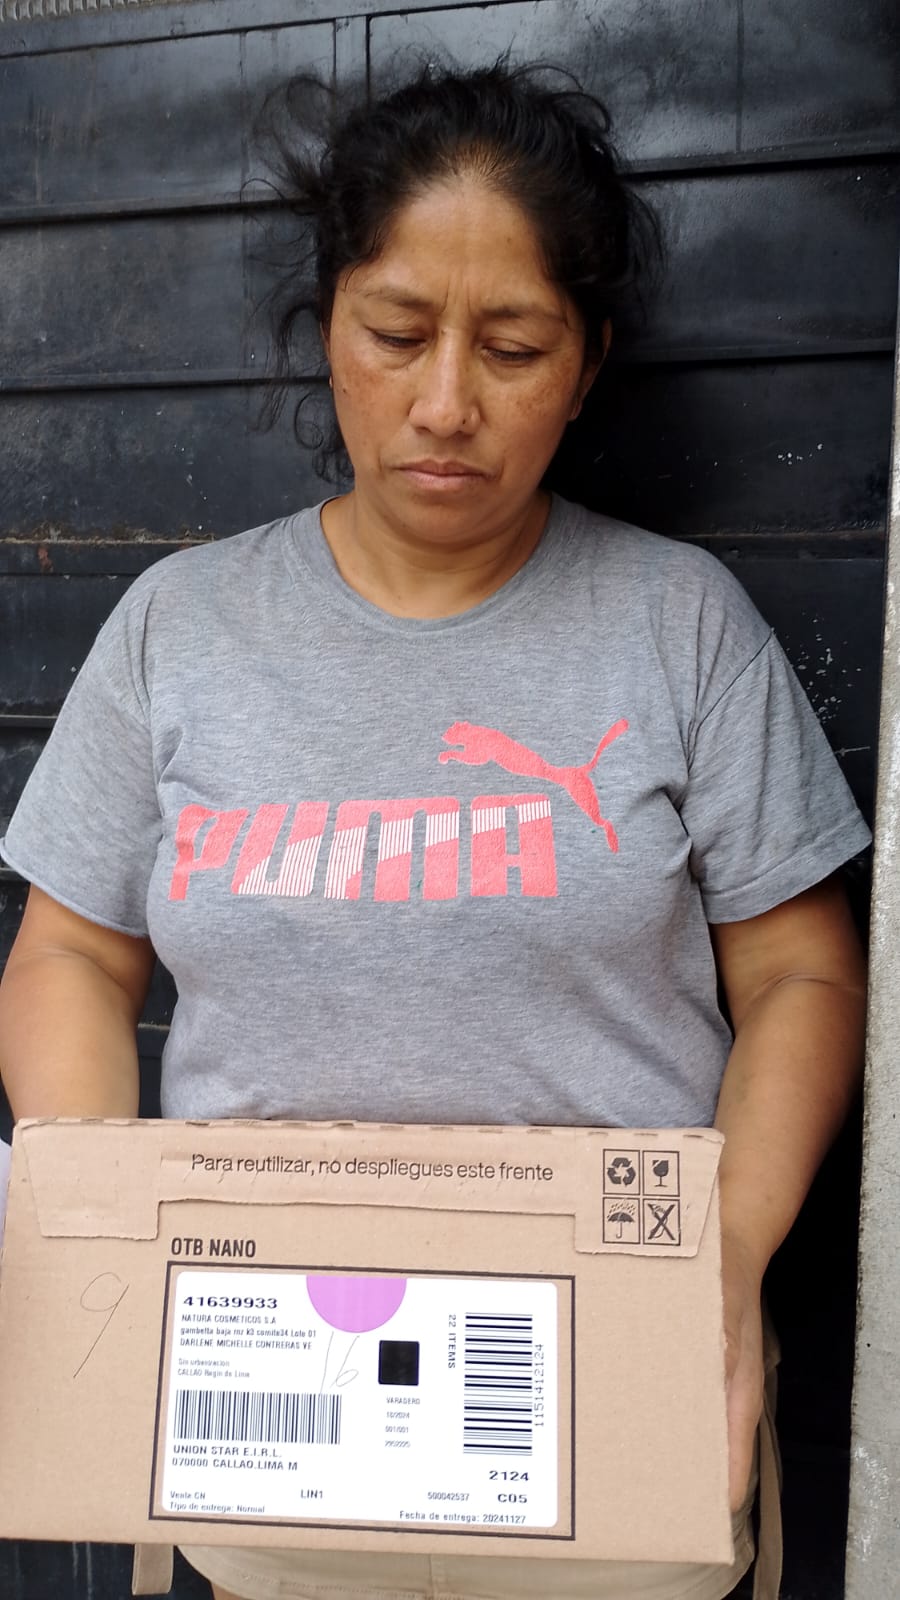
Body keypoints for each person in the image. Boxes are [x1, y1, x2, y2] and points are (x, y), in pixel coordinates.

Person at [0, 62, 868, 1600]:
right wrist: (100, 1228)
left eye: (514, 347)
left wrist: (721, 1260)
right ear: (327, 324)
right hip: (271, 1422)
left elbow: (801, 974)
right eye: (396, 333)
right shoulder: (178, 629)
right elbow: (70, 951)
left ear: (587, 366)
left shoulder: (679, 626)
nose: (447, 402)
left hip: (608, 1403)